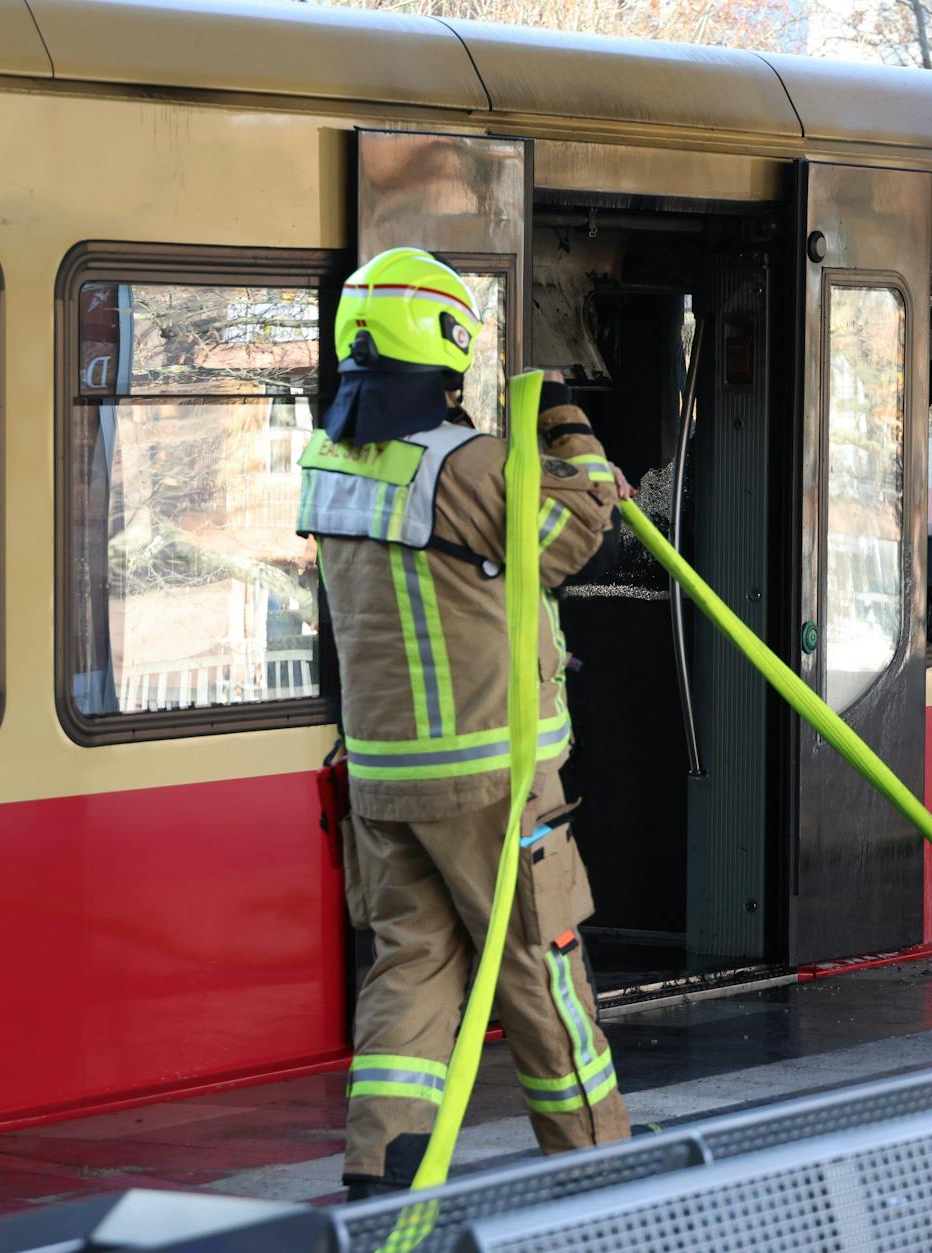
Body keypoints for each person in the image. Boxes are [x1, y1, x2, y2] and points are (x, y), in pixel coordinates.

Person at [298, 247, 634, 1198]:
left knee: (410, 968)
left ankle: (383, 1167)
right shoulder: (476, 467)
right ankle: (602, 1167)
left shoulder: (328, 459)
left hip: (382, 781)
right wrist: (565, 420)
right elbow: (577, 527)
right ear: (447, 346)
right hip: (493, 783)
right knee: (541, 972)